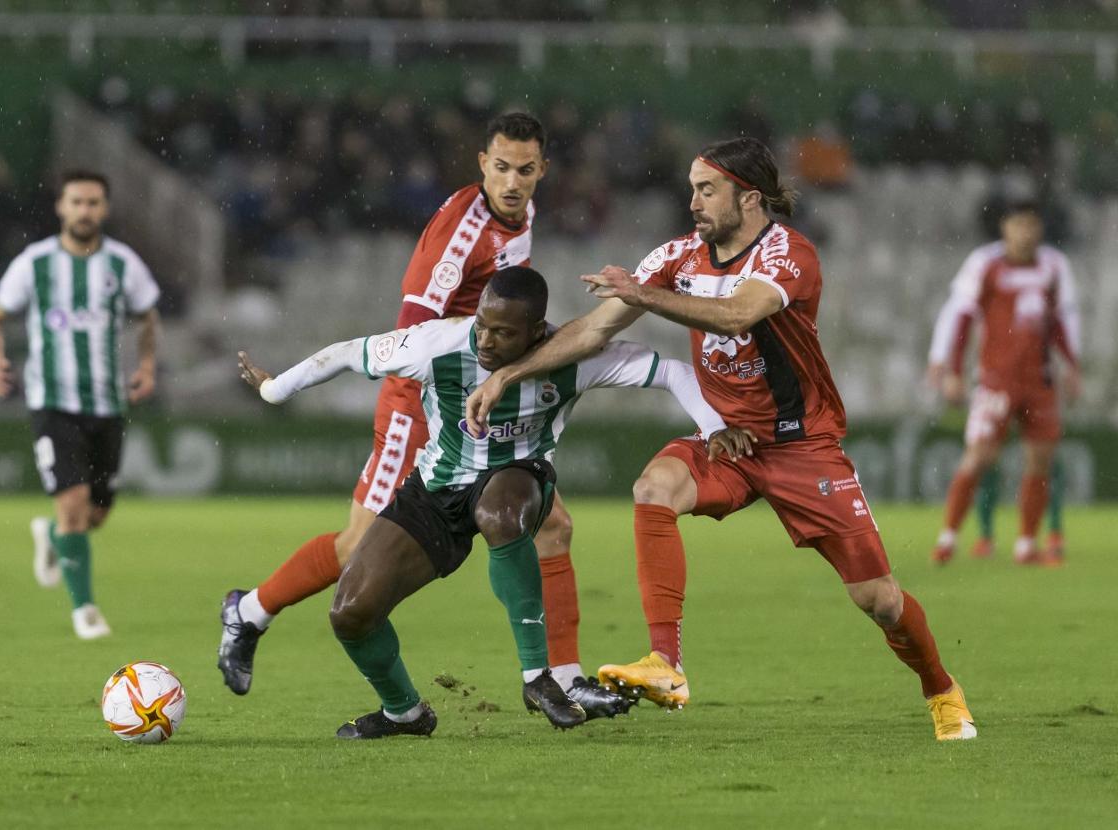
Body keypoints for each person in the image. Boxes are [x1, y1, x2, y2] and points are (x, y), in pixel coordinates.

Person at [465, 138, 977, 741]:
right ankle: (666, 665)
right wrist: (509, 372)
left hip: (801, 447)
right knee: (654, 487)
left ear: (750, 198)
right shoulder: (680, 256)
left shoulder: (791, 254)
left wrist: (642, 294)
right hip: (728, 442)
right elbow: (594, 330)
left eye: (708, 189)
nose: (693, 201)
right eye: (692, 188)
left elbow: (737, 315)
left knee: (880, 601)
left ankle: (941, 689)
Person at [228, 267, 755, 738]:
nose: (485, 339)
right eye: (482, 323)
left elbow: (669, 371)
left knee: (502, 511)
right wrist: (275, 390)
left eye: (503, 332)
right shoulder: (437, 344)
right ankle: (404, 715)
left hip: (519, 478)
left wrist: (713, 428)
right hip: (436, 490)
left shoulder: (572, 357)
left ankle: (539, 678)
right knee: (350, 613)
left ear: (537, 332)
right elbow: (347, 354)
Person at [218, 112, 617, 712]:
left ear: (543, 170)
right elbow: (411, 337)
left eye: (525, 170)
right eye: (501, 167)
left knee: (552, 524)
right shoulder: (463, 239)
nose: (512, 181)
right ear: (481, 163)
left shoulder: (518, 214)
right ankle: (248, 612)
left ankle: (562, 675)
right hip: (425, 405)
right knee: (358, 548)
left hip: (481, 399)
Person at [0, 170, 160, 639]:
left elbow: (147, 316)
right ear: (61, 207)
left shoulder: (123, 264)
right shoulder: (34, 263)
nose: (85, 211)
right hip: (53, 402)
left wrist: (147, 365)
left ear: (105, 208)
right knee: (74, 503)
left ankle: (52, 536)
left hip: (107, 403)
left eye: (94, 203)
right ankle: (85, 611)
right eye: (76, 202)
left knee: (93, 515)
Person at [927, 200, 1081, 566]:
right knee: (980, 456)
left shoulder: (1053, 267)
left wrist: (1072, 366)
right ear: (1004, 228)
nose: (1026, 233)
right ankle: (948, 537)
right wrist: (953, 370)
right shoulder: (986, 265)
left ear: (1039, 229)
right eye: (1019, 225)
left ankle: (1027, 544)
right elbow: (963, 316)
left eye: (1032, 225)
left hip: (1039, 381)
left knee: (1040, 460)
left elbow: (1058, 321)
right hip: (996, 381)